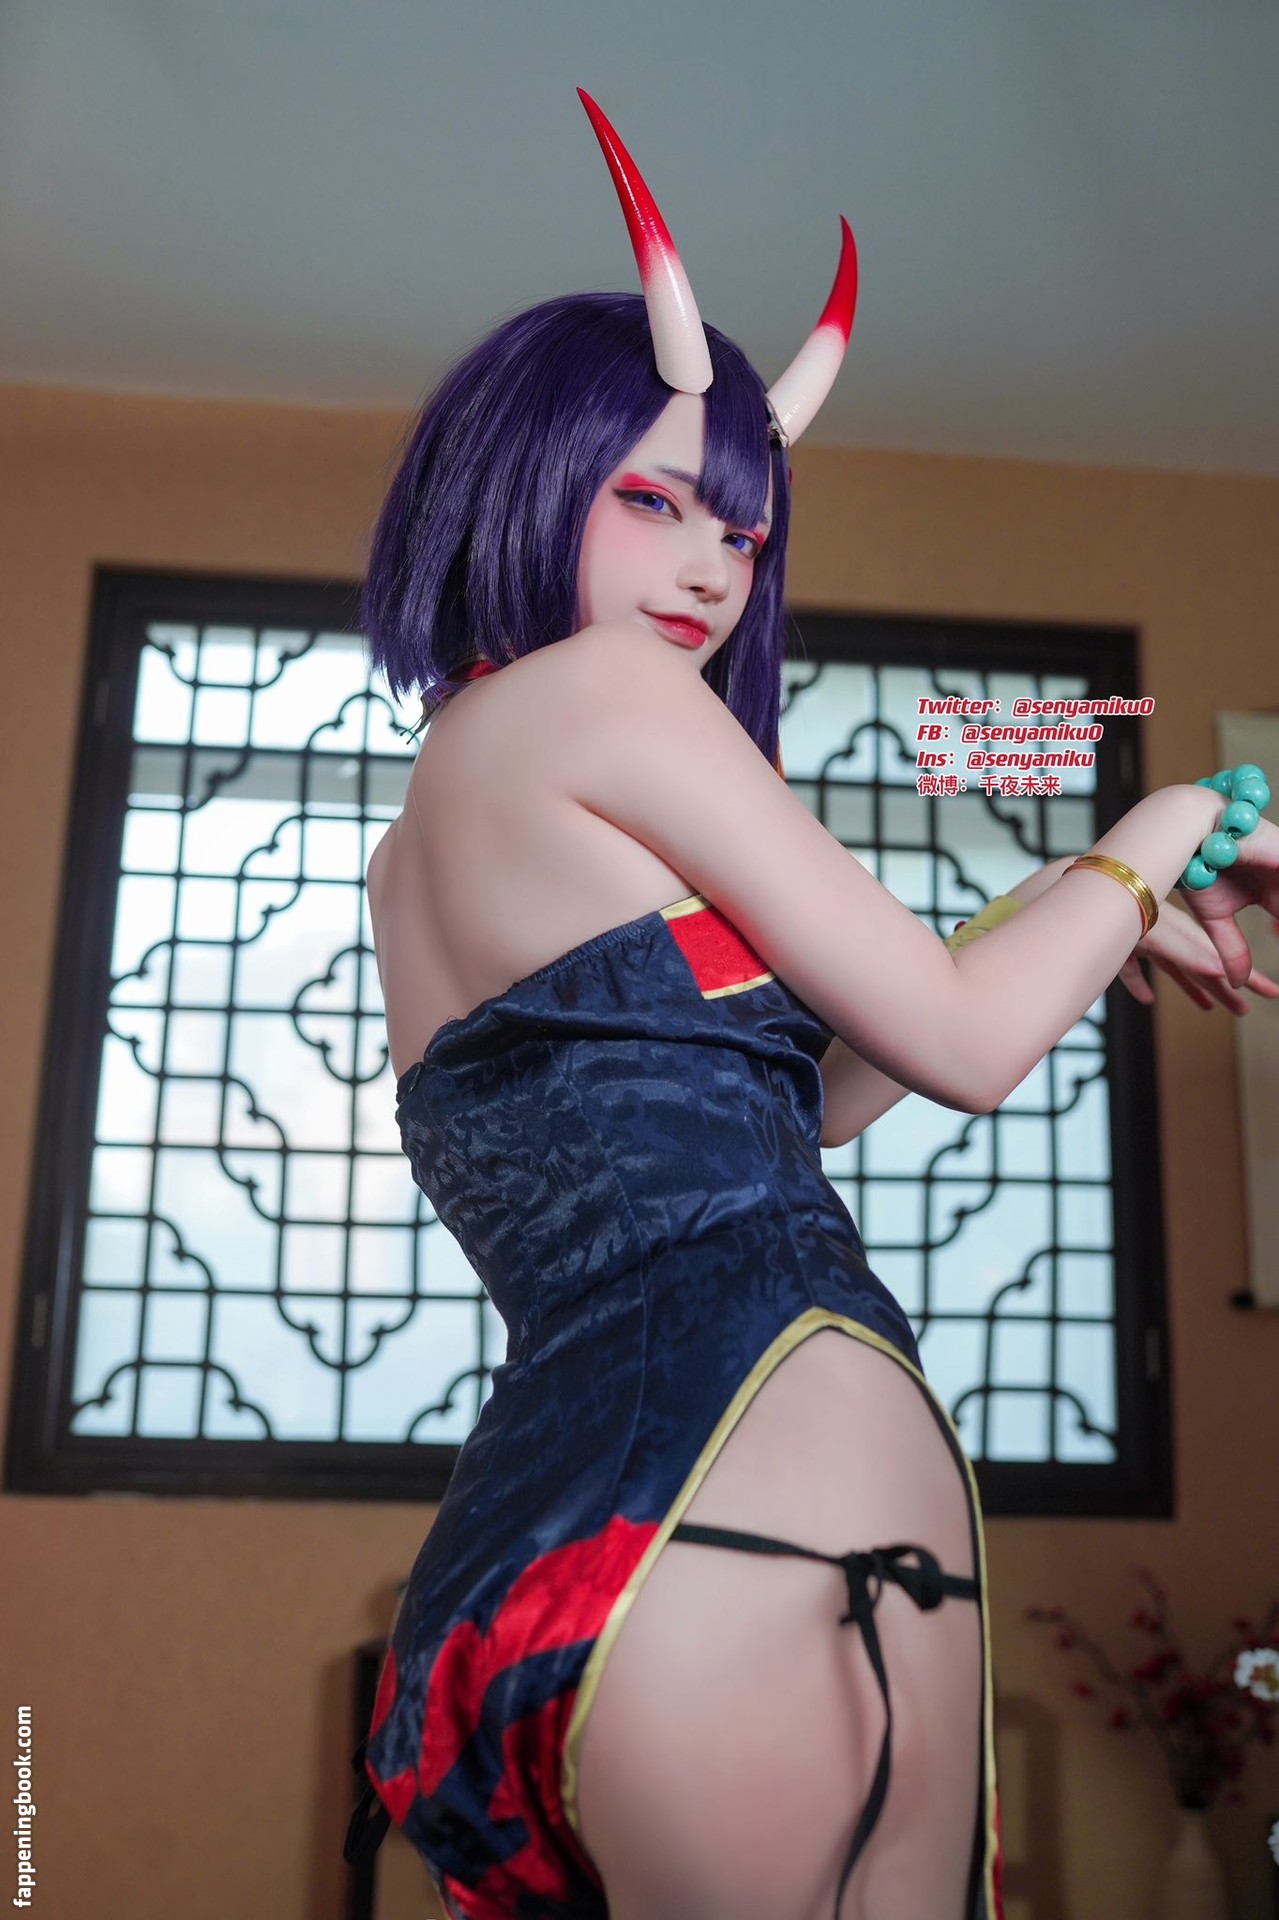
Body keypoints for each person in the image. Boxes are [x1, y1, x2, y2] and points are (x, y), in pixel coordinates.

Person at [346, 92, 1279, 1920]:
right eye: (654, 499)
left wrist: (1074, 897)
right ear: (522, 470)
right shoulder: (613, 699)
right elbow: (965, 1044)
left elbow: (789, 1099)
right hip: (770, 1445)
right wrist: (1178, 814)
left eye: (749, 536)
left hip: (550, 1517)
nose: (711, 568)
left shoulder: (431, 825)